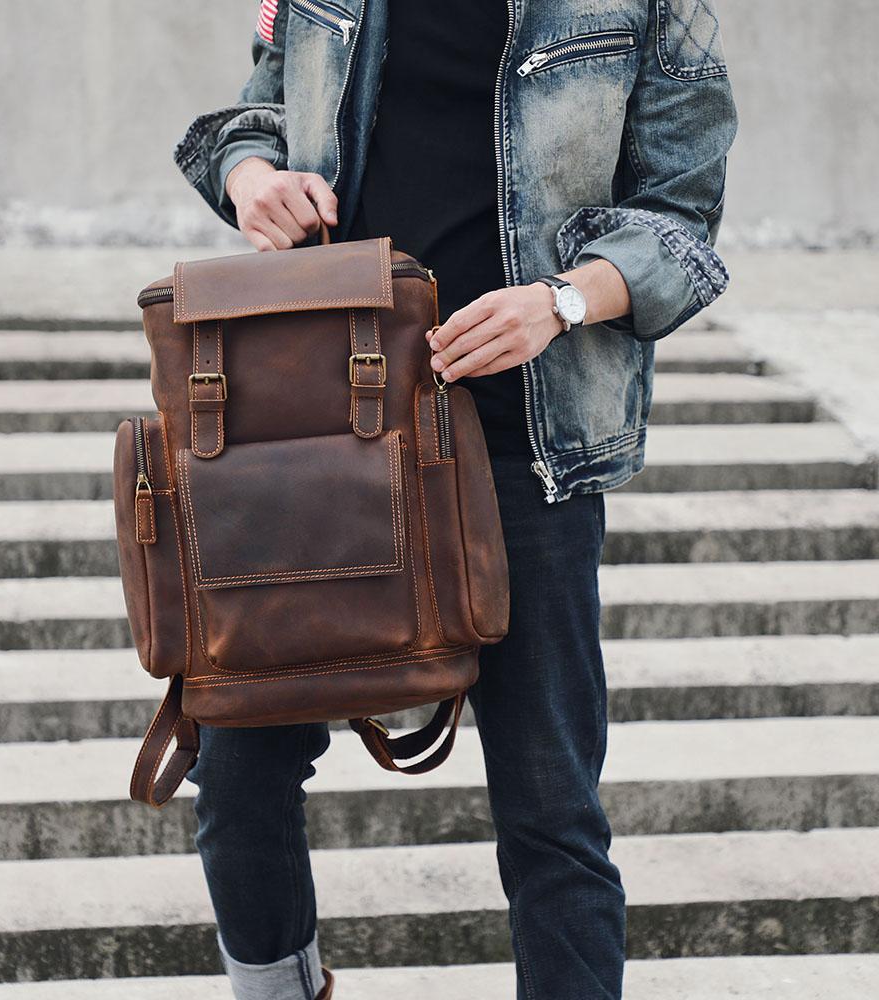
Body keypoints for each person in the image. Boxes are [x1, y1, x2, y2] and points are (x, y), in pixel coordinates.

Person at [176, 1, 737, 997]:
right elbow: (253, 117)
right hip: (321, 419)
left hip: (526, 437)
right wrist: (252, 180)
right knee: (237, 773)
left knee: (550, 810)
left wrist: (561, 301)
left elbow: (682, 229)